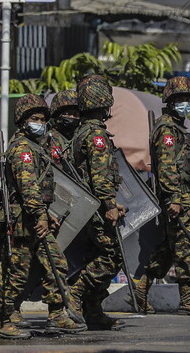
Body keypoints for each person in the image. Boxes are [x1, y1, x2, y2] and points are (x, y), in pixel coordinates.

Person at [0, 94, 87, 339]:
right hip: (24, 221)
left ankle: (57, 315)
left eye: (43, 119)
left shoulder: (36, 147)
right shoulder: (22, 149)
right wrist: (40, 216)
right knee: (17, 271)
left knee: (56, 263)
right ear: (23, 120)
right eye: (35, 118)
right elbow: (28, 187)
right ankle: (3, 320)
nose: (40, 123)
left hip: (37, 218)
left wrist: (46, 215)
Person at [131, 76, 190, 316]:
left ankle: (142, 289)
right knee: (188, 245)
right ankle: (188, 299)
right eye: (180, 99)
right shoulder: (167, 129)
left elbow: (180, 170)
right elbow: (167, 169)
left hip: (182, 196)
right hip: (174, 199)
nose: (185, 103)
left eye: (189, 99)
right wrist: (175, 199)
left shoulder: (176, 127)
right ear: (169, 100)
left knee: (170, 248)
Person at [67, 75, 127, 330]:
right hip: (96, 209)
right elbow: (100, 175)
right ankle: (75, 294)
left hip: (88, 207)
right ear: (104, 103)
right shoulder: (96, 135)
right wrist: (110, 204)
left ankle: (93, 311)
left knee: (95, 255)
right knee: (112, 256)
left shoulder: (81, 132)